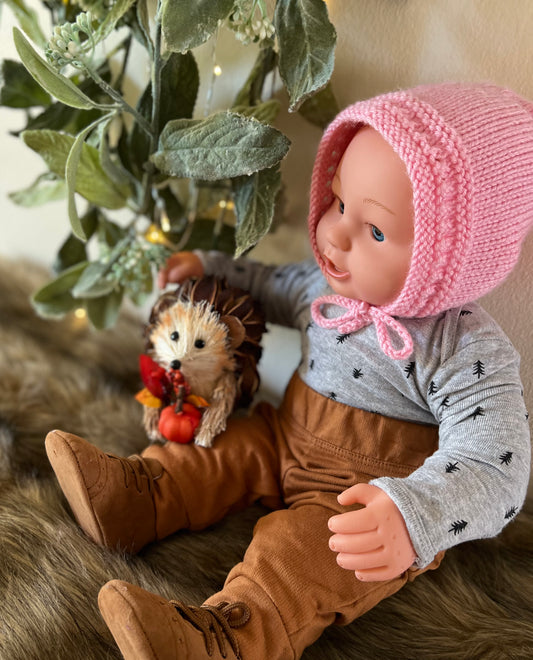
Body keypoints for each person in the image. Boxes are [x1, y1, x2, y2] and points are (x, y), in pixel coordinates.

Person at [45, 82, 532, 660]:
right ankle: (140, 498)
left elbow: (498, 467)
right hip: (286, 437)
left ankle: (227, 637)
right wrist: (209, 266)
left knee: (298, 553)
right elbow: (269, 286)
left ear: (453, 256)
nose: (334, 233)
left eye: (374, 231)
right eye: (338, 201)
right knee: (223, 447)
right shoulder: (321, 289)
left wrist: (412, 517)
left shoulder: (463, 347)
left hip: (362, 502)